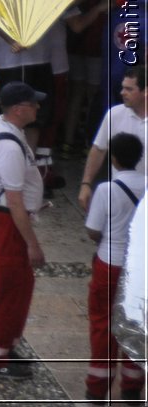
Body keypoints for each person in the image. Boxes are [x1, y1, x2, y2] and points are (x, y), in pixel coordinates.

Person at [0, 81, 48, 379]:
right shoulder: (8, 146)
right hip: (8, 223)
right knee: (11, 288)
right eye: (34, 104)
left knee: (22, 285)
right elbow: (15, 202)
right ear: (19, 110)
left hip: (6, 222)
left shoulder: (4, 128)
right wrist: (32, 244)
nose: (38, 107)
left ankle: (6, 344)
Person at [83, 133, 146, 403]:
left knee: (103, 323)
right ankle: (132, 386)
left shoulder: (106, 190)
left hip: (110, 263)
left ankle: (97, 389)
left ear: (114, 159)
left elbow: (93, 231)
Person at [79, 66, 148, 211]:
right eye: (123, 88)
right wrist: (86, 184)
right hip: (121, 196)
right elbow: (98, 149)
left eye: (129, 89)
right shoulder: (114, 115)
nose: (122, 93)